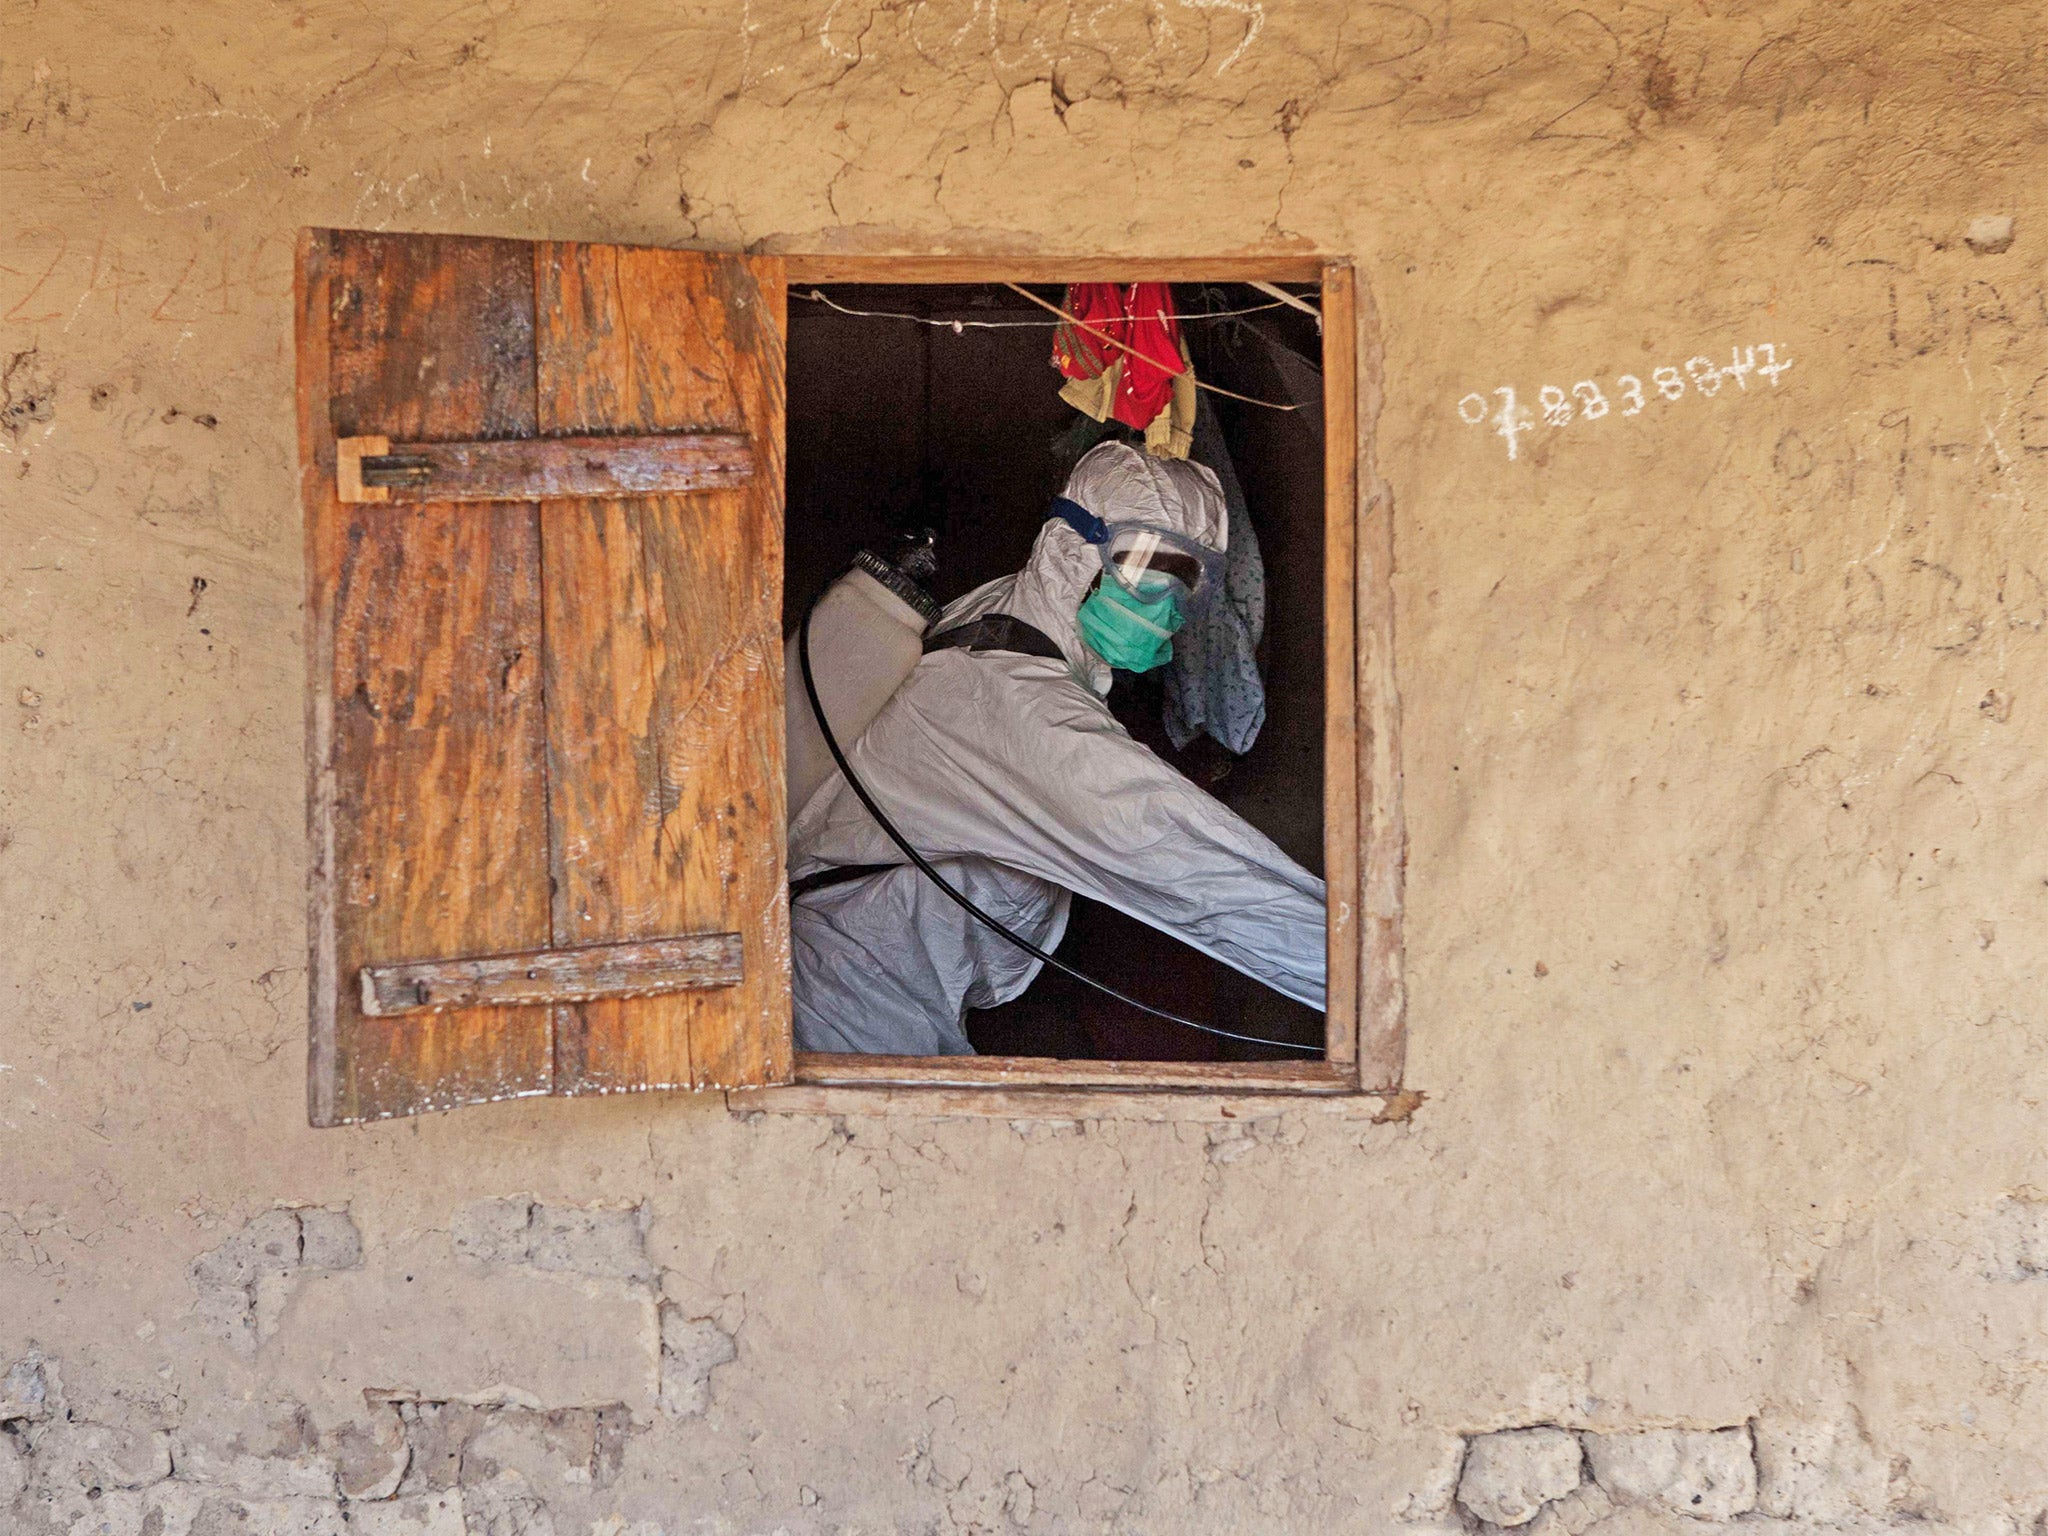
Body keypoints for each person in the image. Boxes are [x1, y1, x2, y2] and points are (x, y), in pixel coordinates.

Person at [786, 441, 1326, 1056]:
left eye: (1185, 578)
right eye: (1145, 564)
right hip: (851, 996)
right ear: (1072, 548)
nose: (1165, 604)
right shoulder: (1028, 715)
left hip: (872, 980)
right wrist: (1383, 975)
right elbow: (1210, 879)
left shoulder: (996, 615)